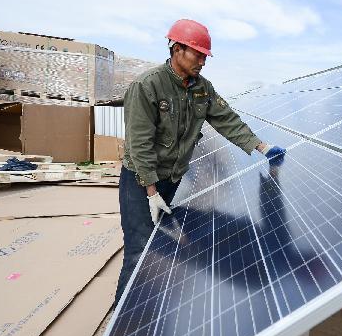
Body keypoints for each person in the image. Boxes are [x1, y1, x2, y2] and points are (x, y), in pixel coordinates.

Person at [116, 19, 285, 301]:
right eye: (198, 54)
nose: (203, 62)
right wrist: (151, 192)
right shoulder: (148, 86)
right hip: (140, 182)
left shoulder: (202, 89)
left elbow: (228, 121)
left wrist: (263, 147)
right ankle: (125, 322)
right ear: (177, 49)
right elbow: (139, 145)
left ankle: (150, 304)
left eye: (205, 56)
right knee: (140, 249)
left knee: (160, 245)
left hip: (170, 179)